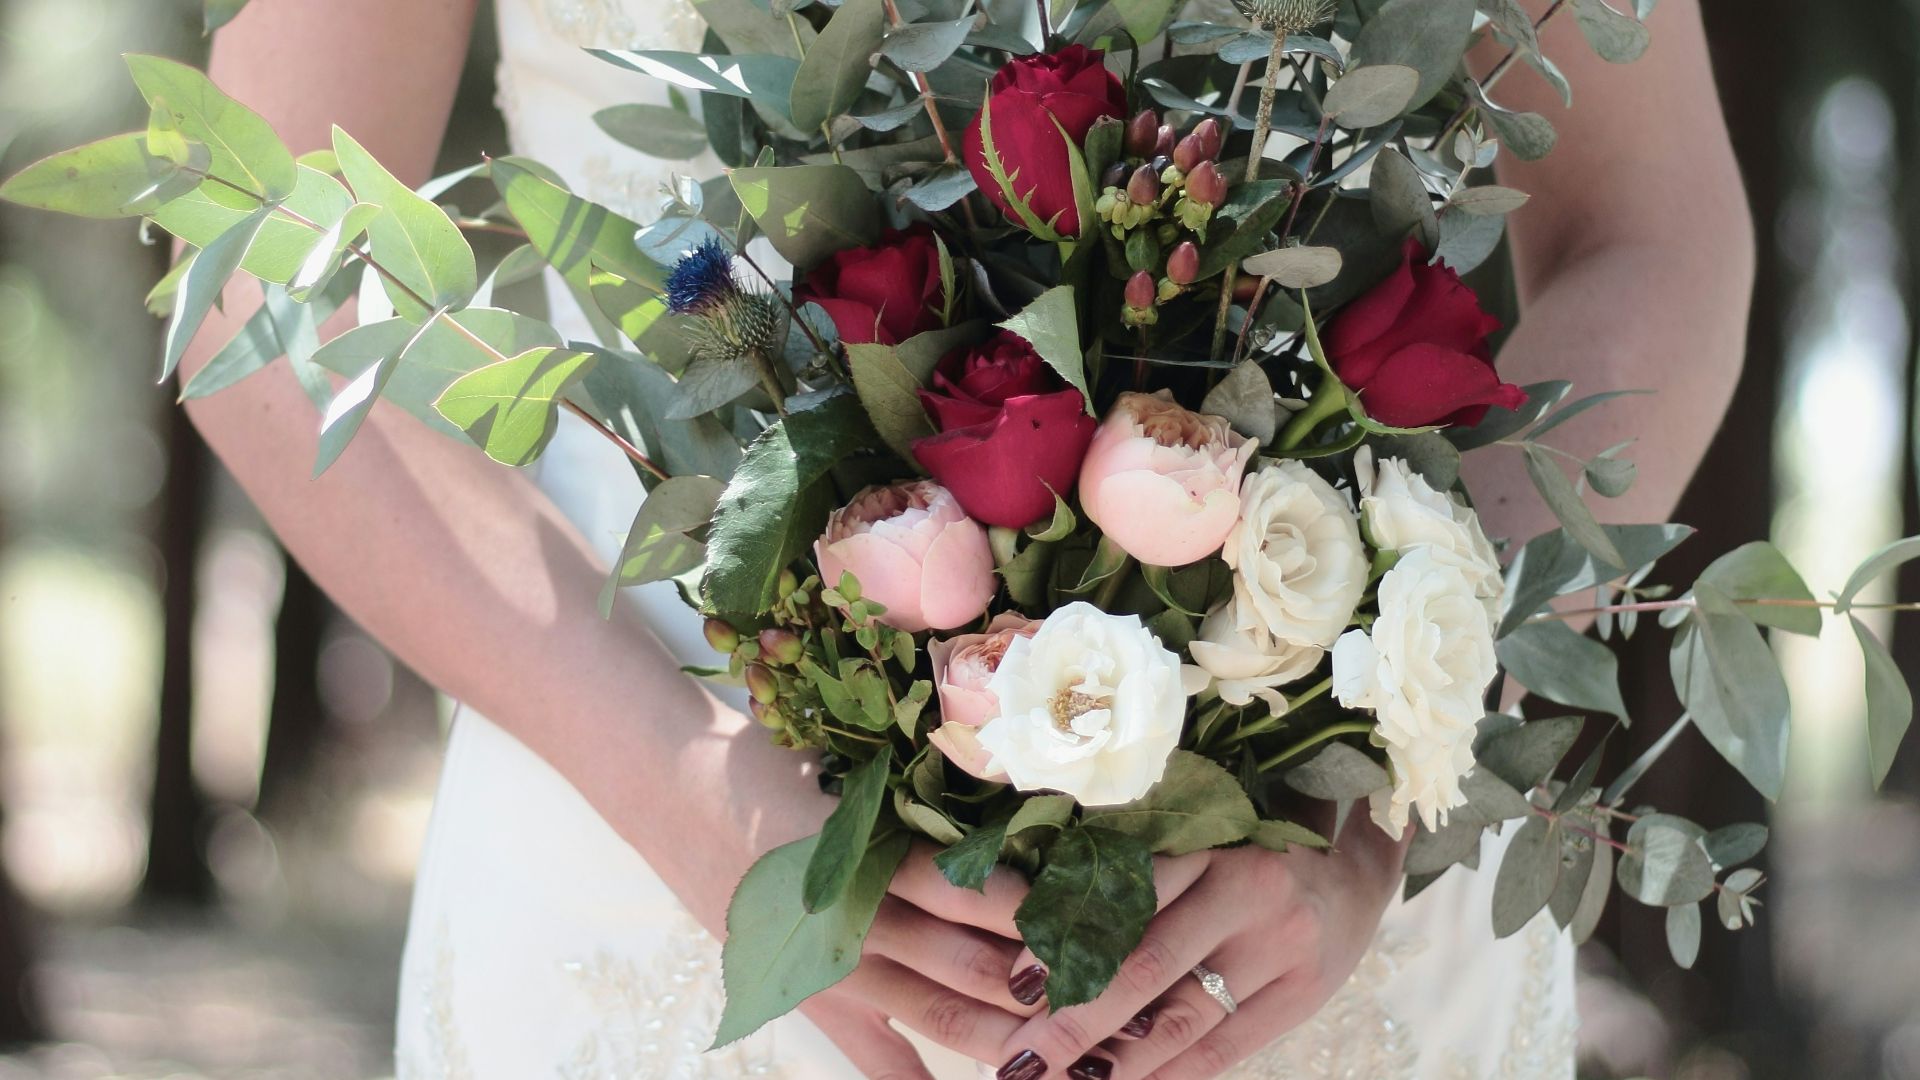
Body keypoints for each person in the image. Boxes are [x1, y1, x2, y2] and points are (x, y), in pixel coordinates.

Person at [180, 0, 1752, 1076]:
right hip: (657, 855)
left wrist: (1384, 748)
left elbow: (1651, 223)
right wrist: (680, 788)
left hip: (1313, 942)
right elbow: (260, 270)